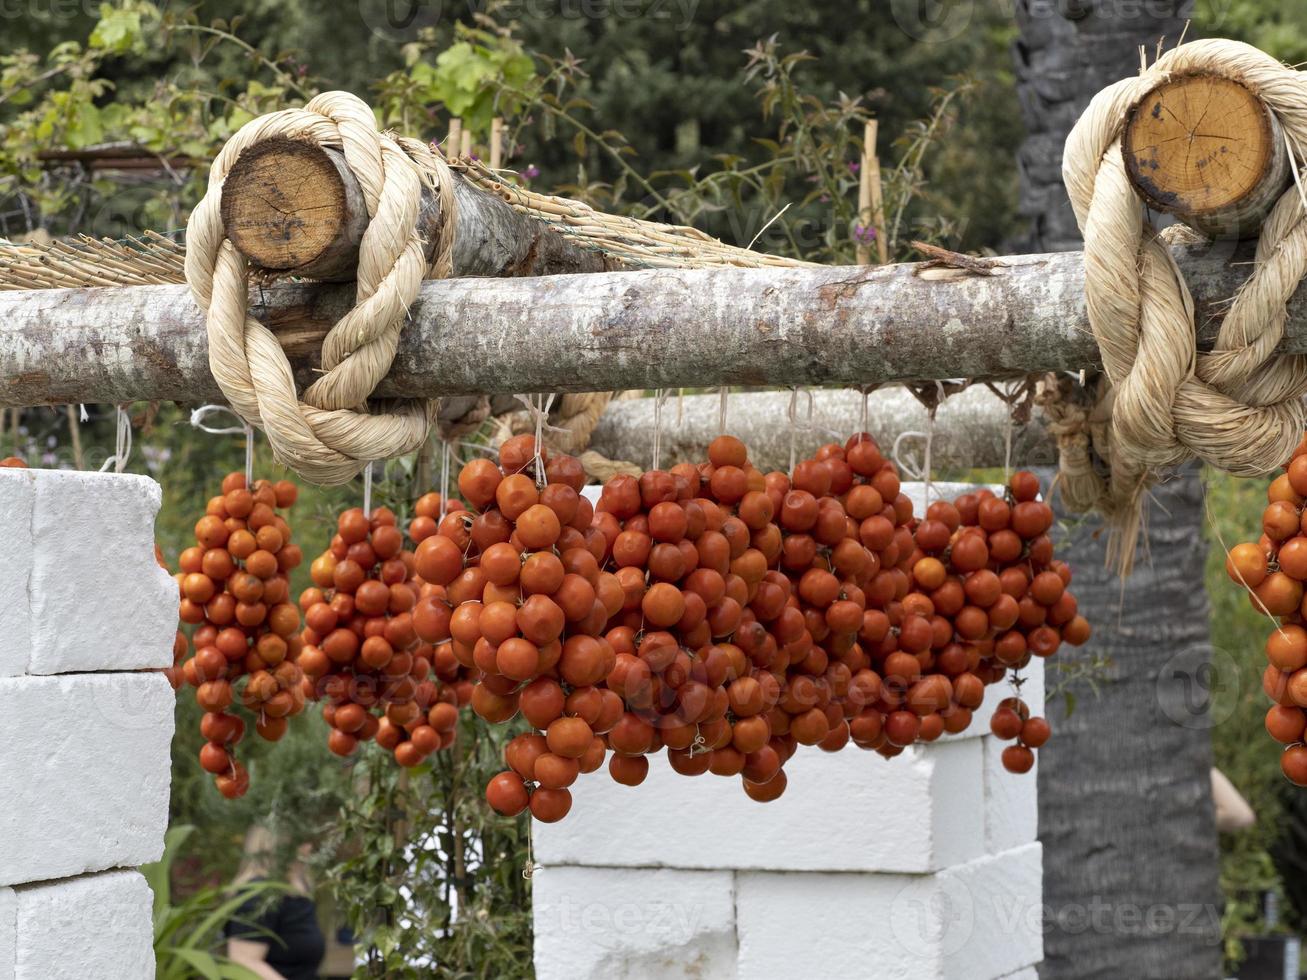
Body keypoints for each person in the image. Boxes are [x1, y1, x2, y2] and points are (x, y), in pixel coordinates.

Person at [225, 825, 327, 980]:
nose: (309, 847)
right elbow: (243, 961)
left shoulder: (299, 893)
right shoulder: (259, 894)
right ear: (278, 845)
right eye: (301, 841)